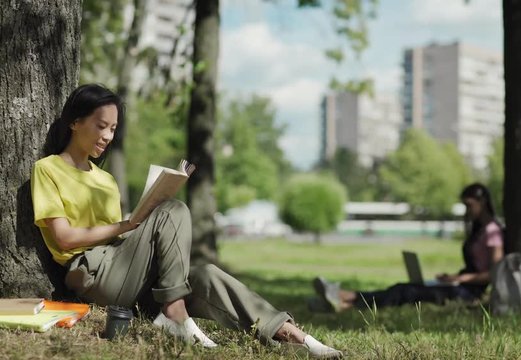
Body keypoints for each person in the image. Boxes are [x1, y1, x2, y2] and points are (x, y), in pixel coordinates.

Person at [31, 84, 342, 359]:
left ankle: (295, 337)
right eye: (102, 126)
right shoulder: (48, 169)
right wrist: (127, 225)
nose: (108, 137)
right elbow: (64, 239)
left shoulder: (106, 180)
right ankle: (176, 313)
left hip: (125, 270)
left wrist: (135, 223)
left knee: (206, 275)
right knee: (174, 209)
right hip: (90, 273)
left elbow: (117, 240)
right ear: (75, 122)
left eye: (113, 129)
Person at [311, 183, 504, 312]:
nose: (467, 211)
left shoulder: (493, 232)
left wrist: (459, 278)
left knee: (405, 292)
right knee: (403, 288)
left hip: (469, 293)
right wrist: (451, 279)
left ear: (483, 202)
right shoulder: (478, 231)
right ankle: (344, 302)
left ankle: (344, 298)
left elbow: (494, 273)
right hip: (459, 286)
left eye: (469, 205)